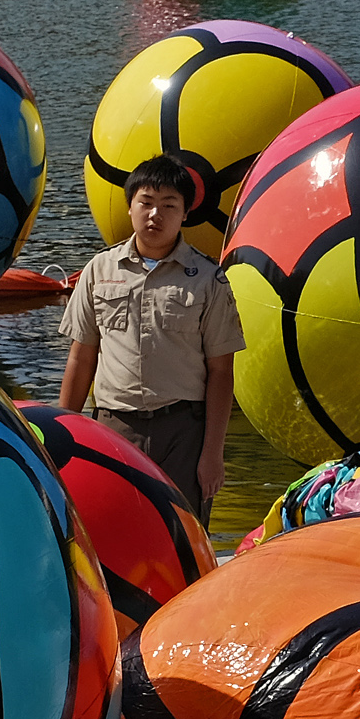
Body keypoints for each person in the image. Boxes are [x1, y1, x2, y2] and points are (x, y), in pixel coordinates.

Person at [57, 155, 241, 515]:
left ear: (186, 212)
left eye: (169, 205)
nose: (155, 214)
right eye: (146, 203)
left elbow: (221, 372)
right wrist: (62, 433)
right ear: (130, 208)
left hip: (184, 432)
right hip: (114, 425)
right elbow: (81, 358)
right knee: (111, 530)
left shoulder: (208, 280)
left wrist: (212, 455)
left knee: (183, 535)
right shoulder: (100, 270)